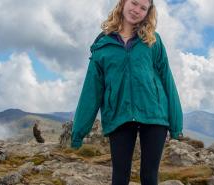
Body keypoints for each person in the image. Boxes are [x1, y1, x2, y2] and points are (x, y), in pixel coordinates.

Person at [71, 0, 183, 184]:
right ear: (123, 3)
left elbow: (167, 80)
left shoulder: (153, 40)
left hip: (154, 114)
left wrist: (176, 124)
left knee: (149, 176)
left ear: (148, 13)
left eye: (143, 8)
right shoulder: (102, 45)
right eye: (134, 3)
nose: (136, 10)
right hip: (118, 115)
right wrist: (78, 133)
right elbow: (92, 91)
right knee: (120, 177)